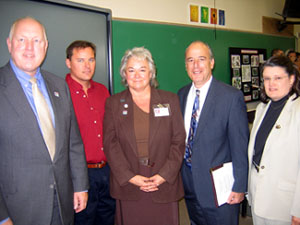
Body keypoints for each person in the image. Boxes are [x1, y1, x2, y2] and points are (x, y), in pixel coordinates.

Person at [0, 17, 89, 225]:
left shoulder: (59, 85)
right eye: (22, 40)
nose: (30, 48)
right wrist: (1, 216)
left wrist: (80, 186)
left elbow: (72, 142)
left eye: (37, 41)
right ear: (9, 43)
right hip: (18, 208)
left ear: (46, 46)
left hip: (63, 201)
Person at [103, 47, 186, 225]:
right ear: (124, 74)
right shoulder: (114, 103)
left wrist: (164, 175)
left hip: (162, 179)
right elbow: (110, 144)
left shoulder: (169, 100)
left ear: (151, 73)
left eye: (142, 70)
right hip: (129, 180)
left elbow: (178, 141)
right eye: (131, 70)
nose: (137, 75)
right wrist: (130, 176)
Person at [178, 41, 249, 225]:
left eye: (201, 59)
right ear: (185, 65)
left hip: (221, 188)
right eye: (190, 60)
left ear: (212, 62)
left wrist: (240, 185)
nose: (196, 66)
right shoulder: (182, 95)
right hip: (189, 183)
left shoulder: (231, 97)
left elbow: (239, 145)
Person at [65, 40, 115, 225]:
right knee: (83, 221)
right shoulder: (60, 92)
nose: (87, 66)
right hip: (78, 175)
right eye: (81, 60)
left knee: (108, 219)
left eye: (91, 60)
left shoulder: (102, 91)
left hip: (107, 171)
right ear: (68, 63)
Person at [247, 56, 300, 225]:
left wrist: (298, 210)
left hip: (283, 203)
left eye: (278, 78)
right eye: (267, 79)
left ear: (291, 79)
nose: (271, 84)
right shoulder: (262, 109)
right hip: (258, 195)